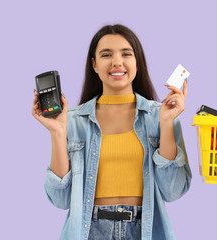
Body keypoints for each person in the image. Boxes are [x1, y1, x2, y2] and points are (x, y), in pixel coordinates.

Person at [32, 24, 192, 240]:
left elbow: (173, 191)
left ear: (137, 62)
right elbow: (60, 200)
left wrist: (165, 123)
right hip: (89, 231)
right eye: (106, 54)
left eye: (126, 53)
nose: (117, 61)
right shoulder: (72, 120)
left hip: (144, 230)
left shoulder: (161, 116)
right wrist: (57, 132)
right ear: (94, 65)